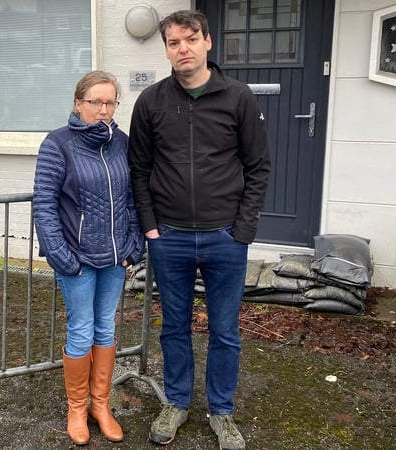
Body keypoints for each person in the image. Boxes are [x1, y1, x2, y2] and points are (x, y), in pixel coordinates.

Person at [128, 9, 271, 450]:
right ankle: (176, 402)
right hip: (168, 237)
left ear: (208, 41)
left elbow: (258, 167)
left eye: (190, 39)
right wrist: (150, 227)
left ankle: (222, 412)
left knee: (225, 330)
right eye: (173, 42)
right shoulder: (151, 101)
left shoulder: (238, 97)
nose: (182, 49)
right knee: (174, 327)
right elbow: (139, 169)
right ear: (167, 49)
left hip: (224, 237)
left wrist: (242, 229)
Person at [33, 70, 144, 445]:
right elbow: (45, 206)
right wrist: (62, 256)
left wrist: (133, 245)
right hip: (76, 259)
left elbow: (131, 198)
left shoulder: (121, 143)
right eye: (95, 101)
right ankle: (77, 408)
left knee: (106, 329)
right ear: (78, 103)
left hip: (114, 258)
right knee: (81, 330)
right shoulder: (57, 144)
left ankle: (101, 404)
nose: (103, 109)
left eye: (110, 102)